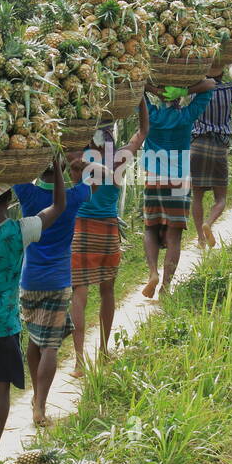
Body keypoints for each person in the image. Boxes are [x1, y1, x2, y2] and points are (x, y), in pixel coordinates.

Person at [0, 158, 67, 464]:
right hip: (4, 322)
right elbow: (58, 207)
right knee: (1, 387)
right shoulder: (21, 230)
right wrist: (57, 168)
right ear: (10, 199)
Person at [70, 101, 149, 371]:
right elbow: (142, 132)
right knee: (107, 292)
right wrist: (140, 102)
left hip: (79, 230)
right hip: (108, 231)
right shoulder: (118, 159)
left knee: (79, 294)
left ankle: (79, 360)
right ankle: (103, 351)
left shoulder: (76, 161)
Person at [15, 163, 93, 425]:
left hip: (29, 280)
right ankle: (40, 406)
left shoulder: (28, 194)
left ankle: (37, 396)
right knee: (50, 346)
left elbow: (13, 173)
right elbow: (90, 181)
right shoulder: (71, 198)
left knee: (35, 339)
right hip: (58, 280)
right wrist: (78, 166)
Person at [141, 79, 215, 300]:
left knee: (150, 228)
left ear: (162, 101)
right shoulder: (186, 117)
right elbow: (209, 85)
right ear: (179, 101)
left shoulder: (151, 116)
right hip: (179, 181)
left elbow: (137, 90)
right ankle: (165, 287)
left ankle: (152, 272)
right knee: (174, 237)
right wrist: (185, 89)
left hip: (154, 179)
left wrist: (155, 89)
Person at [190, 60, 232, 247]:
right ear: (221, 74)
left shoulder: (194, 90)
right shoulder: (228, 90)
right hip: (219, 147)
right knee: (220, 197)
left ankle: (200, 238)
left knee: (197, 196)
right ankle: (209, 222)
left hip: (197, 146)